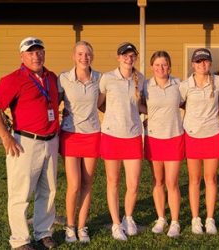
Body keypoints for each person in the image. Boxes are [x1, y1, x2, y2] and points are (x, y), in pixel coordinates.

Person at [0, 37, 59, 250]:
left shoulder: (51, 77)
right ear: (22, 56)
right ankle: (20, 240)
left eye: (39, 51)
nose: (36, 56)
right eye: (31, 52)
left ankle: (43, 233)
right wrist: (5, 136)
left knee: (49, 190)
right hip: (25, 143)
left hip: (51, 141)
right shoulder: (13, 79)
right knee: (20, 193)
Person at [98, 42, 145, 241]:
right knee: (113, 181)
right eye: (124, 55)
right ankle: (116, 224)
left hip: (133, 135)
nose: (128, 58)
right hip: (111, 136)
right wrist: (112, 116)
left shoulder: (140, 78)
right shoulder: (107, 78)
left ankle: (128, 218)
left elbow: (141, 105)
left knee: (133, 184)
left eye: (132, 55)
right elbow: (99, 103)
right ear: (118, 57)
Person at [58, 41, 102, 243]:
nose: (84, 58)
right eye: (80, 54)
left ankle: (82, 226)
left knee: (87, 183)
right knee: (74, 184)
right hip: (71, 134)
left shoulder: (100, 78)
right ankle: (70, 226)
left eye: (88, 54)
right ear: (73, 56)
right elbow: (52, 102)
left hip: (92, 134)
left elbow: (102, 103)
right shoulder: (64, 79)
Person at [179, 48, 219, 235]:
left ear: (210, 63)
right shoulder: (185, 85)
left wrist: (210, 117)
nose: (202, 64)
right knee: (194, 179)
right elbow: (180, 104)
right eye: (198, 62)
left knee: (211, 178)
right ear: (192, 64)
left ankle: (210, 219)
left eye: (205, 61)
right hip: (191, 135)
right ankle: (196, 218)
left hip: (212, 134)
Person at [143, 51, 183, 238]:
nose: (161, 68)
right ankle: (161, 218)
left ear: (170, 66)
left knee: (172, 182)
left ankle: (174, 221)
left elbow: (187, 104)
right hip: (153, 138)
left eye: (164, 64)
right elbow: (138, 104)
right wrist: (150, 113)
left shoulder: (179, 85)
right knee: (158, 181)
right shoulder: (146, 86)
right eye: (157, 65)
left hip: (174, 137)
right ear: (152, 67)